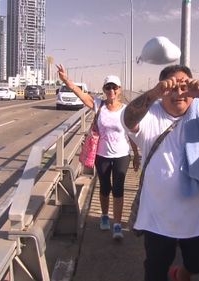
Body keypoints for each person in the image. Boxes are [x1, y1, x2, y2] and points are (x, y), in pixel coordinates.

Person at [122, 64, 199, 281]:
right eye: (172, 88)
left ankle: (182, 274)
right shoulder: (152, 114)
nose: (178, 93)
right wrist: (155, 92)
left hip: (196, 217)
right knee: (155, 270)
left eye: (184, 87)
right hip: (157, 217)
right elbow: (128, 119)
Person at [56, 64, 140, 240]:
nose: (111, 90)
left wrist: (136, 154)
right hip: (101, 155)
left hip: (121, 155)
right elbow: (80, 93)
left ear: (119, 90)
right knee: (104, 188)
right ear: (104, 89)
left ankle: (116, 224)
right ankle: (104, 216)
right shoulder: (98, 105)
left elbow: (131, 133)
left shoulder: (126, 110)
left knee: (118, 190)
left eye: (114, 87)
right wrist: (65, 80)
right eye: (108, 87)